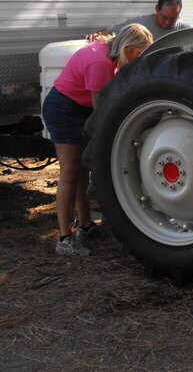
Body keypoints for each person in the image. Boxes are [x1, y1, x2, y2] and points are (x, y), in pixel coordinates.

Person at [44, 24, 154, 255]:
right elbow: (100, 112)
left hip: (78, 107)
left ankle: (85, 226)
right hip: (64, 108)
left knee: (83, 170)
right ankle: (64, 238)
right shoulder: (100, 63)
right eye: (138, 53)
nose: (138, 59)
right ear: (127, 47)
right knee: (70, 173)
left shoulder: (107, 52)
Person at [86, 0, 189, 41]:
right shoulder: (139, 24)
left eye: (173, 19)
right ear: (157, 9)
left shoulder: (183, 30)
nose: (167, 22)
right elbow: (112, 30)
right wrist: (96, 35)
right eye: (164, 17)